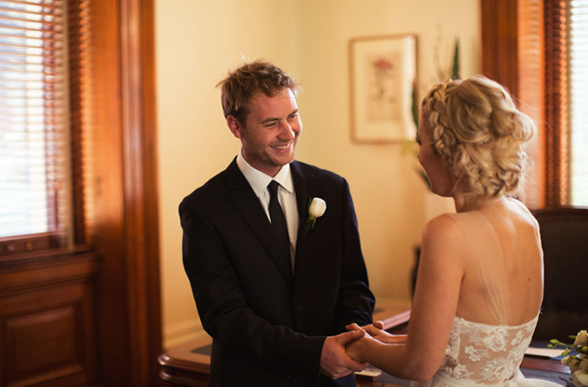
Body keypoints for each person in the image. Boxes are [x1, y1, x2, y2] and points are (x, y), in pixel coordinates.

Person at [345, 76, 560, 386]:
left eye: (421, 142)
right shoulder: (525, 219)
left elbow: (419, 366)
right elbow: (472, 341)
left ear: (448, 151)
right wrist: (384, 340)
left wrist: (360, 347)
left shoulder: (448, 233)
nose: (419, 156)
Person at [179, 59, 375, 386]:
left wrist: (353, 335)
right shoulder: (204, 209)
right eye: (271, 123)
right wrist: (313, 354)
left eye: (293, 116)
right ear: (235, 126)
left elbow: (354, 285)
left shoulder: (332, 189)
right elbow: (226, 317)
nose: (288, 132)